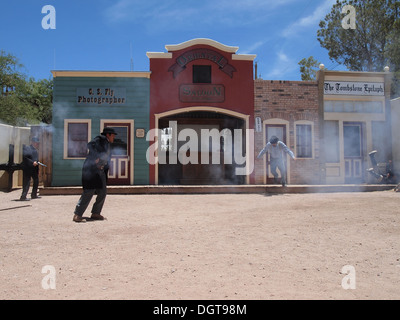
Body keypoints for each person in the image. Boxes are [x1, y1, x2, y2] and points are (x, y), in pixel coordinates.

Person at [73, 127, 117, 223]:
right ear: (108, 135)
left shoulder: (108, 144)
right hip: (91, 170)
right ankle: (77, 214)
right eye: (112, 135)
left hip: (100, 171)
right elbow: (90, 145)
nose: (114, 137)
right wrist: (96, 157)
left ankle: (95, 213)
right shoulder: (100, 139)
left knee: (102, 191)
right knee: (89, 191)